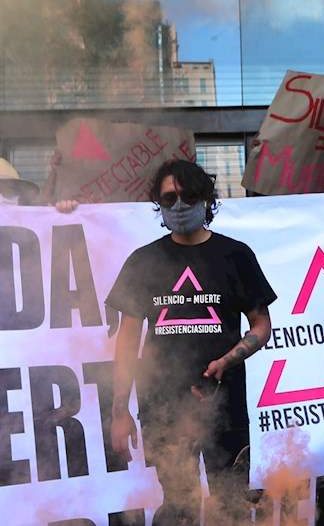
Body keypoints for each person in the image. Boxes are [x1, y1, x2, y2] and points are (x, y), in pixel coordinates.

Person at [106, 159, 275, 525]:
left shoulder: (236, 255)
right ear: (158, 204)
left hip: (224, 404)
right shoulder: (143, 261)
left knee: (229, 505)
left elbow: (261, 324)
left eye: (188, 195)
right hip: (162, 406)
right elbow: (126, 343)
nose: (179, 205)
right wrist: (120, 410)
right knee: (178, 506)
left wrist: (229, 360)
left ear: (206, 199)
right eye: (169, 198)